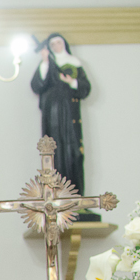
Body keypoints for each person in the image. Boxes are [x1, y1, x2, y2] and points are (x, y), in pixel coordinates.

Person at [30, 33, 91, 196]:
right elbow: (37, 85)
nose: (57, 46)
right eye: (53, 44)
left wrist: (71, 82)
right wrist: (45, 61)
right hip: (52, 116)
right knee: (53, 154)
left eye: (59, 43)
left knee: (74, 154)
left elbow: (85, 89)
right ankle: (55, 196)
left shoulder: (74, 63)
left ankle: (76, 196)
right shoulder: (48, 63)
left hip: (70, 116)